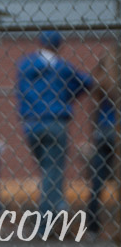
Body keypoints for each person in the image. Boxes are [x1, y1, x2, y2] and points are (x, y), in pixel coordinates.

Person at [16, 30, 94, 214]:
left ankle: (55, 205)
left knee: (46, 168)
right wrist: (66, 96)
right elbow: (87, 82)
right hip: (55, 121)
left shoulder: (26, 64)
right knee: (53, 169)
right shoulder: (61, 67)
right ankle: (49, 213)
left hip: (31, 123)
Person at [86, 44, 120, 235]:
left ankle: (93, 225)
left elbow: (96, 109)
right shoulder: (111, 81)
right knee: (103, 179)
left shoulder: (100, 79)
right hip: (112, 130)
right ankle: (97, 224)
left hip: (103, 131)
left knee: (97, 180)